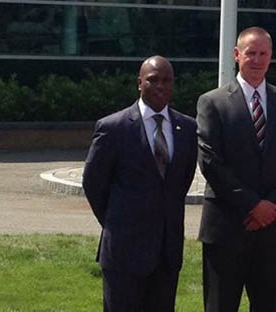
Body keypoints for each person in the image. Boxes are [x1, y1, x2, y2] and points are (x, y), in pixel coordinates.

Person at [196, 26, 276, 312]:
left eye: (263, 54)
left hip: (274, 228)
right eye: (250, 53)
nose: (257, 60)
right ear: (236, 55)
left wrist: (270, 205)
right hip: (226, 228)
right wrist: (252, 205)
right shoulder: (213, 102)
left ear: (271, 57)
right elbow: (210, 162)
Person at [82, 55, 198, 312]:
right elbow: (93, 183)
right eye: (153, 80)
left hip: (166, 252)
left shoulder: (188, 129)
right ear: (139, 83)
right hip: (124, 250)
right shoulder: (114, 128)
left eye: (167, 80)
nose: (161, 86)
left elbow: (180, 183)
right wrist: (116, 220)